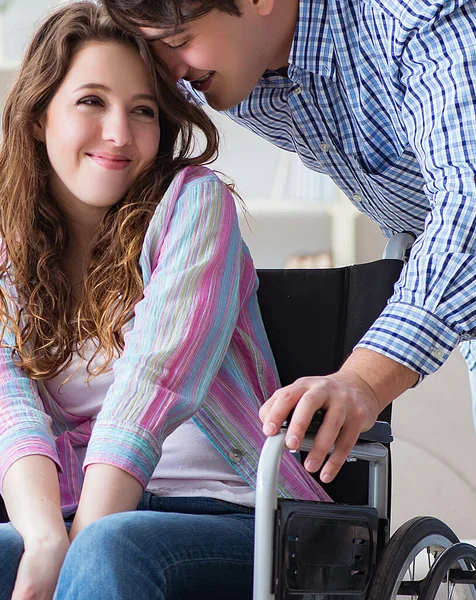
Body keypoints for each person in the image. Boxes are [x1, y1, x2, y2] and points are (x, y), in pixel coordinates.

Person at [0, 3, 331, 599]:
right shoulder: (9, 244)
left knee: (107, 549)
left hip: (234, 517)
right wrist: (48, 541)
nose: (119, 134)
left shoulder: (194, 204)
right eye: (91, 101)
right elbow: (10, 403)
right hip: (83, 516)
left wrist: (80, 544)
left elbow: (155, 381)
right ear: (38, 114)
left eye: (143, 110)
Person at [102, 0, 476, 483]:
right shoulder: (226, 62)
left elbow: (469, 209)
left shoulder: (417, 18)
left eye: (178, 42)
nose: (168, 72)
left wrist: (362, 379)